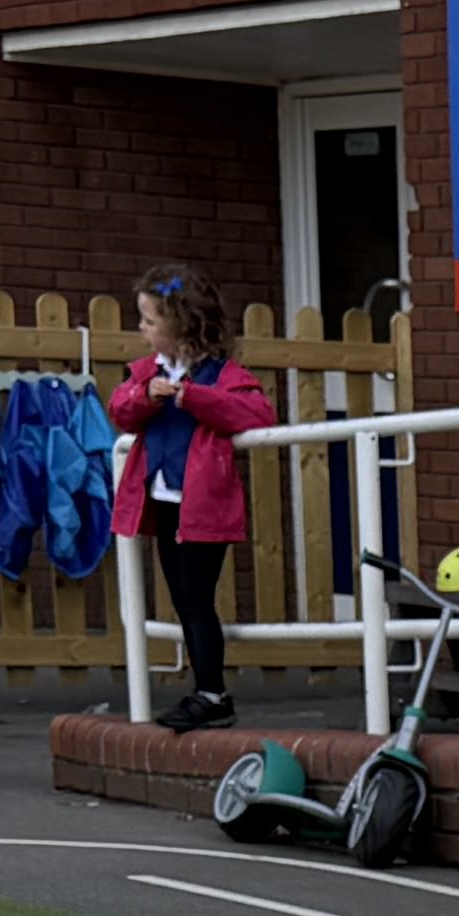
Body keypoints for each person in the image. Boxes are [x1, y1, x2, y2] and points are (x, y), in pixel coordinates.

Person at [108, 271, 276, 728]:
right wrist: (146, 396)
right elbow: (120, 409)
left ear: (180, 324)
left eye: (148, 319)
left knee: (197, 599)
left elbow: (256, 414)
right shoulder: (147, 372)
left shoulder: (225, 377)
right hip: (164, 500)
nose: (141, 329)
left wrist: (192, 397)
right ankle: (205, 689)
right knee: (183, 599)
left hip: (201, 505)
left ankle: (212, 692)